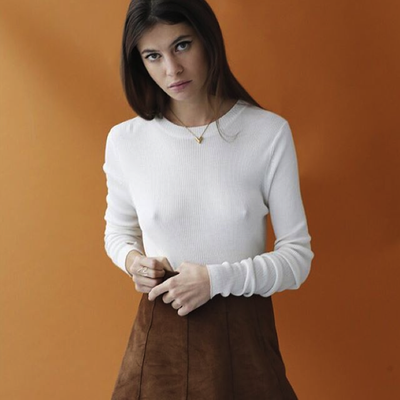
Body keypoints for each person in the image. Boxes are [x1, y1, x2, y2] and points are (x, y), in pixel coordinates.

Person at [102, 0, 315, 398]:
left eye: (182, 45)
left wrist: (215, 280)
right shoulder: (126, 141)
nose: (171, 69)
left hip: (245, 340)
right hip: (160, 341)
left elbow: (297, 259)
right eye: (153, 56)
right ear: (139, 63)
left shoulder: (268, 133)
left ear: (208, 40)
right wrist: (134, 262)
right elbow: (118, 233)